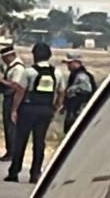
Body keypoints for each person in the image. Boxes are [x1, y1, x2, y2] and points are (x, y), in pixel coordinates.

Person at [4, 42, 65, 184]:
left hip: (28, 109)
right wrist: (56, 107)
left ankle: (14, 172)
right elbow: (61, 92)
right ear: (49, 56)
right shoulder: (57, 72)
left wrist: (14, 109)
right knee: (39, 141)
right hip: (46, 109)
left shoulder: (29, 72)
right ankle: (35, 173)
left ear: (34, 55)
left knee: (21, 140)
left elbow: (20, 91)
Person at [0, 45, 25, 162]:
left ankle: (12, 152)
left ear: (10, 56)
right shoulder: (11, 67)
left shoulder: (18, 68)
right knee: (7, 125)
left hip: (13, 99)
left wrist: (1, 80)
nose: (4, 60)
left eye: (5, 58)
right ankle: (9, 150)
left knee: (11, 126)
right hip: (8, 98)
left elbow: (16, 85)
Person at [62, 52, 97, 133]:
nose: (68, 66)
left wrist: (72, 90)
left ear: (76, 62)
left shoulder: (82, 76)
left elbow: (87, 90)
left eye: (70, 63)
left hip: (78, 111)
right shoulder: (74, 75)